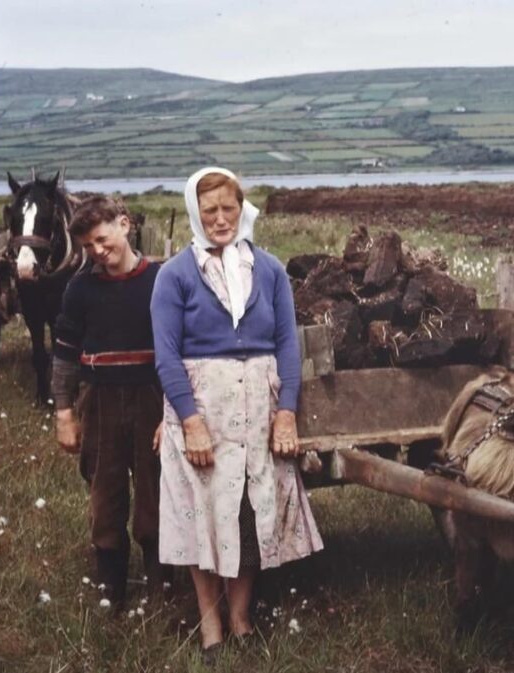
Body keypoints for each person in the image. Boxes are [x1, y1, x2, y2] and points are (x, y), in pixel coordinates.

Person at [151, 167, 323, 658]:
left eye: (229, 208)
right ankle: (210, 628)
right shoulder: (175, 274)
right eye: (210, 211)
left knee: (249, 512)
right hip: (205, 407)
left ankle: (243, 620)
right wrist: (190, 420)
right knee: (203, 512)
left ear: (241, 208)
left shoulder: (267, 268)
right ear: (195, 214)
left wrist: (286, 412)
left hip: (259, 405)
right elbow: (165, 354)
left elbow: (288, 344)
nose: (221, 219)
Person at [52, 195, 169, 608]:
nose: (98, 252)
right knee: (105, 496)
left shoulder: (160, 281)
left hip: (152, 400)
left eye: (102, 239)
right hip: (99, 401)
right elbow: (65, 355)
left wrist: (172, 412)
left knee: (158, 493)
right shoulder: (80, 288)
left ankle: (161, 587)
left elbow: (180, 355)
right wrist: (65, 412)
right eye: (88, 247)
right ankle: (111, 592)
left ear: (124, 224)